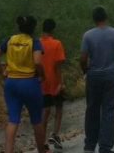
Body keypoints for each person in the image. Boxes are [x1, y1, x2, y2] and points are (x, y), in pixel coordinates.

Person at [79, 6, 114, 153]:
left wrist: (85, 71)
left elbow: (83, 58)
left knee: (92, 110)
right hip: (111, 76)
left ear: (94, 19)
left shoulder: (88, 35)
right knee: (109, 110)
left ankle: (89, 146)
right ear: (106, 17)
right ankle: (105, 147)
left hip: (93, 76)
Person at [0, 16, 46, 153]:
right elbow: (38, 62)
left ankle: (8, 151)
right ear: (33, 28)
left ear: (19, 26)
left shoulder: (10, 40)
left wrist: (2, 71)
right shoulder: (34, 42)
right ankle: (41, 150)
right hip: (29, 83)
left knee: (13, 119)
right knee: (37, 120)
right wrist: (42, 75)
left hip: (11, 83)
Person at [40, 19, 66, 151]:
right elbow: (58, 66)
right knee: (59, 108)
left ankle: (42, 141)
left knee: (45, 111)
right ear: (53, 30)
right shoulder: (57, 43)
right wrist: (61, 83)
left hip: (41, 83)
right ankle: (55, 134)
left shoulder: (37, 43)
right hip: (54, 82)